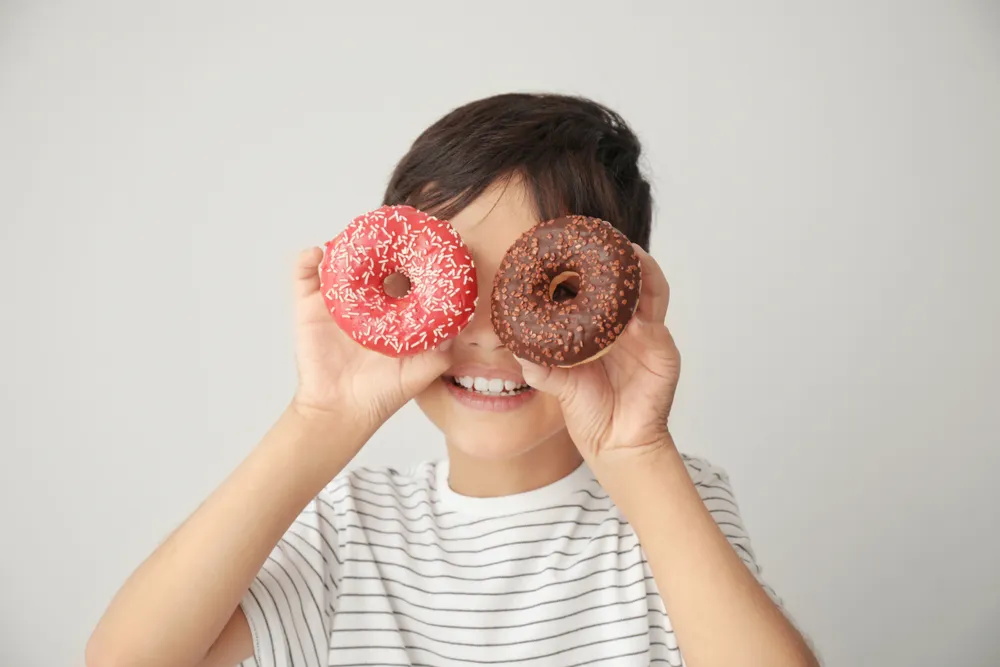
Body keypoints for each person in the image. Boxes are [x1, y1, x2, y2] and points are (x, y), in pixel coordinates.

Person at [86, 93, 818, 667]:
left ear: (612, 307)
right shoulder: (349, 529)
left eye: (544, 292)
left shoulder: (670, 506)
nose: (489, 332)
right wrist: (319, 417)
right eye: (460, 282)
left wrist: (637, 453)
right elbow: (128, 657)